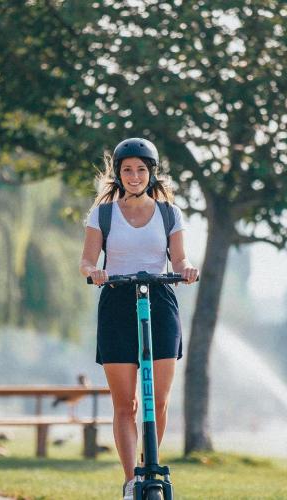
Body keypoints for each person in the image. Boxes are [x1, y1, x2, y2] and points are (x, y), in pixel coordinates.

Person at [79, 138, 199, 500]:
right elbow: (85, 261)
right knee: (125, 404)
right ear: (118, 173)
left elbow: (177, 260)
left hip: (159, 301)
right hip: (116, 301)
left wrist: (187, 269)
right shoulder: (102, 213)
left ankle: (151, 465)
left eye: (141, 170)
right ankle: (132, 480)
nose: (134, 176)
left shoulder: (168, 213)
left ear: (151, 173)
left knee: (157, 400)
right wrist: (95, 272)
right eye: (127, 170)